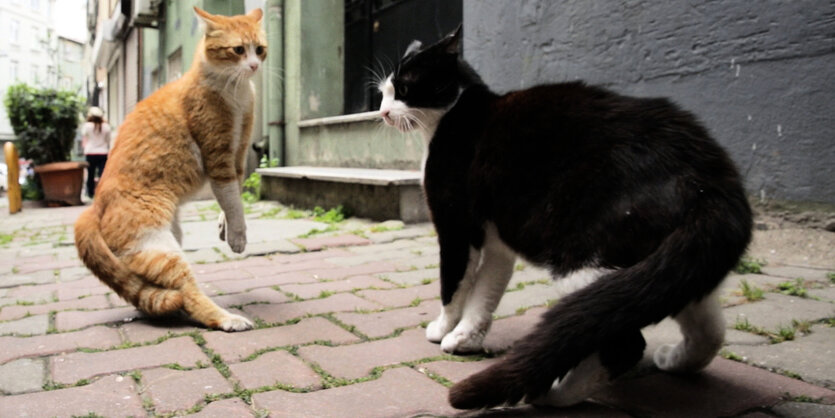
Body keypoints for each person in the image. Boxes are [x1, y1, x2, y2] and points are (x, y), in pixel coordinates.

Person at [81, 107, 111, 199]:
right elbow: (108, 140)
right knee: (103, 174)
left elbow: (84, 135)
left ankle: (90, 193)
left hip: (90, 153)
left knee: (90, 173)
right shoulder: (106, 126)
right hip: (103, 152)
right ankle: (103, 192)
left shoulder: (87, 126)